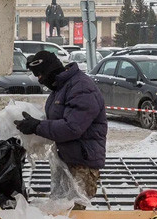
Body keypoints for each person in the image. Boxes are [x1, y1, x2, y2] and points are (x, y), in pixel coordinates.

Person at [14, 51, 107, 207]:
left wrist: (37, 126)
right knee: (62, 214)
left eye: (40, 75)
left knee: (74, 217)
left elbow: (72, 127)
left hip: (81, 166)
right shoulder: (61, 88)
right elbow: (57, 120)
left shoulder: (81, 88)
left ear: (50, 70)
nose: (40, 80)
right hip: (66, 160)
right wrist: (34, 123)